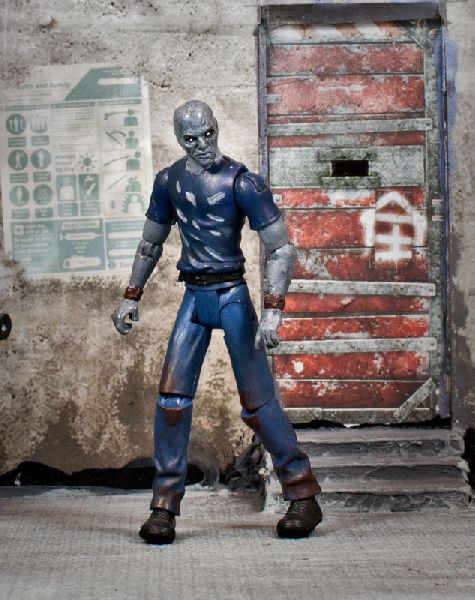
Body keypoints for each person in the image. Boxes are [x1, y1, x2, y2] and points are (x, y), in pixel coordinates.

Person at [111, 100, 322, 544]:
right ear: (179, 139)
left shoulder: (242, 182)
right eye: (191, 138)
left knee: (258, 403)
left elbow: (281, 248)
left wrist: (273, 309)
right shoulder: (168, 182)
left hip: (231, 294)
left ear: (216, 128)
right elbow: (150, 244)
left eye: (208, 133)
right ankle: (164, 507)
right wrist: (131, 295)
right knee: (171, 402)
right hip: (194, 295)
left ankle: (303, 494)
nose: (202, 144)